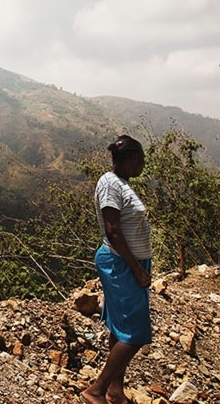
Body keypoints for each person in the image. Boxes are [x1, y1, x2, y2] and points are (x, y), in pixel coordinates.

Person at [82, 135, 151, 404]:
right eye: (142, 160)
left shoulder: (122, 184)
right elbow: (112, 231)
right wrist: (136, 269)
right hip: (121, 263)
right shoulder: (110, 184)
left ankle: (115, 390)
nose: (143, 165)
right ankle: (95, 390)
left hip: (129, 262)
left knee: (121, 329)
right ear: (132, 158)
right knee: (134, 334)